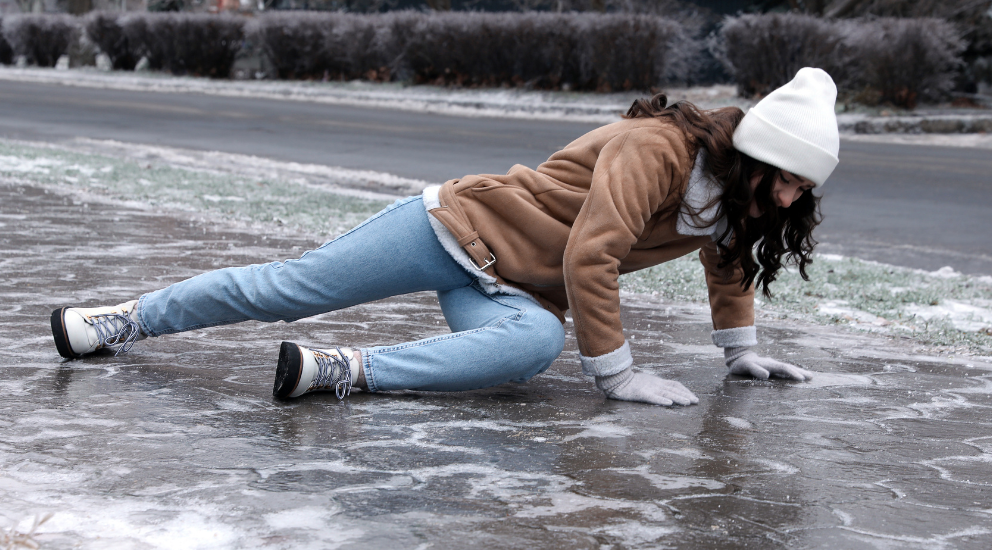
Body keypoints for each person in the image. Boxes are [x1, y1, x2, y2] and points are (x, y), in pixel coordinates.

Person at [50, 67, 839, 407]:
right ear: (754, 156)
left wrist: (740, 353)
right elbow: (592, 253)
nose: (794, 196)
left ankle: (340, 371)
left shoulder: (736, 198)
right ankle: (122, 320)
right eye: (790, 178)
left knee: (530, 349)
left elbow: (728, 258)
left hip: (514, 288)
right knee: (288, 290)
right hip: (453, 227)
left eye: (806, 187)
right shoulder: (658, 150)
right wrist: (619, 376)